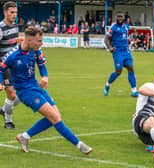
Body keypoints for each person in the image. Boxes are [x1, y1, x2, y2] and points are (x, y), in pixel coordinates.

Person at [0, 26, 92, 154]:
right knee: (55, 118)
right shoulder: (13, 55)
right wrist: (1, 82)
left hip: (37, 87)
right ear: (29, 40)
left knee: (55, 117)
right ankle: (80, 145)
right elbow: (1, 69)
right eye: (39, 41)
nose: (41, 43)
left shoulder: (36, 50)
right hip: (25, 92)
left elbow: (42, 66)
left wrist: (44, 77)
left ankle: (25, 136)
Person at [104, 11, 138, 97]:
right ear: (116, 18)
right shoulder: (113, 27)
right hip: (117, 51)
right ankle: (107, 85)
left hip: (126, 51)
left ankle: (134, 91)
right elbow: (106, 39)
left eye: (121, 17)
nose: (120, 18)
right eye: (118, 17)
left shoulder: (126, 26)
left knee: (131, 69)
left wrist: (131, 42)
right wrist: (110, 48)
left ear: (124, 18)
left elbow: (125, 37)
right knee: (118, 72)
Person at [132, 70, 154, 152]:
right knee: (153, 120)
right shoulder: (151, 86)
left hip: (146, 131)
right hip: (141, 121)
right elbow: (141, 90)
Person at [0, 1, 19, 129]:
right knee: (11, 94)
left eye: (15, 12)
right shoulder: (1, 28)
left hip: (14, 65)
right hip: (3, 65)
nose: (14, 15)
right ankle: (8, 121)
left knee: (22, 94)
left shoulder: (16, 26)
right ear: (5, 13)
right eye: (11, 12)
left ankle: (3, 109)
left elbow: (14, 46)